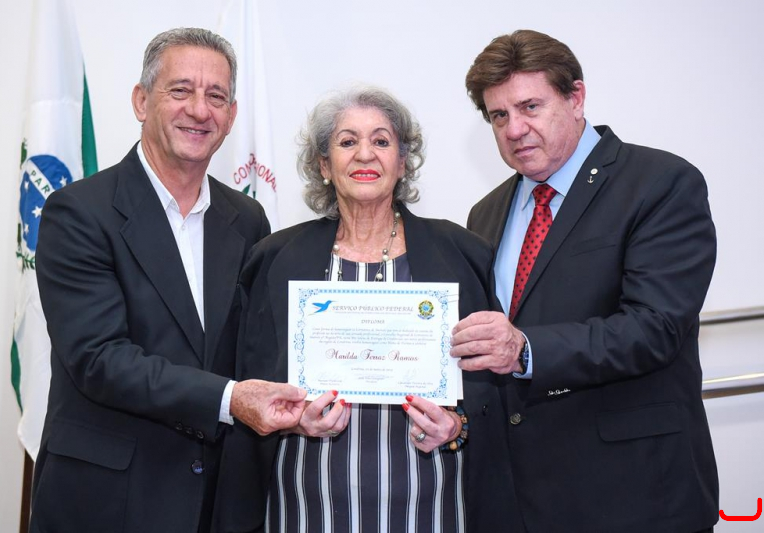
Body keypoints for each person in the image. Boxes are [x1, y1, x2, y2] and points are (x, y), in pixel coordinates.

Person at [30, 28, 306, 533]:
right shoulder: (79, 213)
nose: (199, 110)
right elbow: (100, 359)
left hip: (216, 503)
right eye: (181, 90)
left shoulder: (247, 220)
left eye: (216, 96)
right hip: (107, 502)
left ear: (231, 116)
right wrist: (231, 399)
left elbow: (255, 348)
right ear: (141, 101)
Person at [451, 29, 719, 532]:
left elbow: (655, 327)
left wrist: (526, 349)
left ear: (576, 97)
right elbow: (488, 354)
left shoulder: (659, 183)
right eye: (498, 116)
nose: (514, 129)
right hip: (519, 500)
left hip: (634, 495)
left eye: (530, 106)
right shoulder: (485, 214)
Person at [230, 86, 520, 533]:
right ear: (324, 165)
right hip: (306, 510)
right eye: (347, 141)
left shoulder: (461, 253)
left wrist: (455, 427)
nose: (365, 154)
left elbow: (490, 393)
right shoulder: (275, 258)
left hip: (431, 510)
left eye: (381, 141)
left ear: (402, 162)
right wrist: (291, 419)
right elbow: (249, 383)